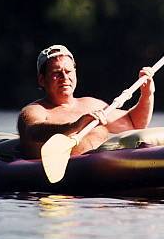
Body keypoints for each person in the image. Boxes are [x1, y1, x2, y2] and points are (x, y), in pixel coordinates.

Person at [18, 45, 154, 159]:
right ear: (42, 79)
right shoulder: (34, 110)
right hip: (65, 176)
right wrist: (75, 126)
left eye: (68, 71)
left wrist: (147, 94)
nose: (64, 77)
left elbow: (134, 123)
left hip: (101, 169)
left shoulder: (93, 105)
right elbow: (33, 132)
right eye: (56, 73)